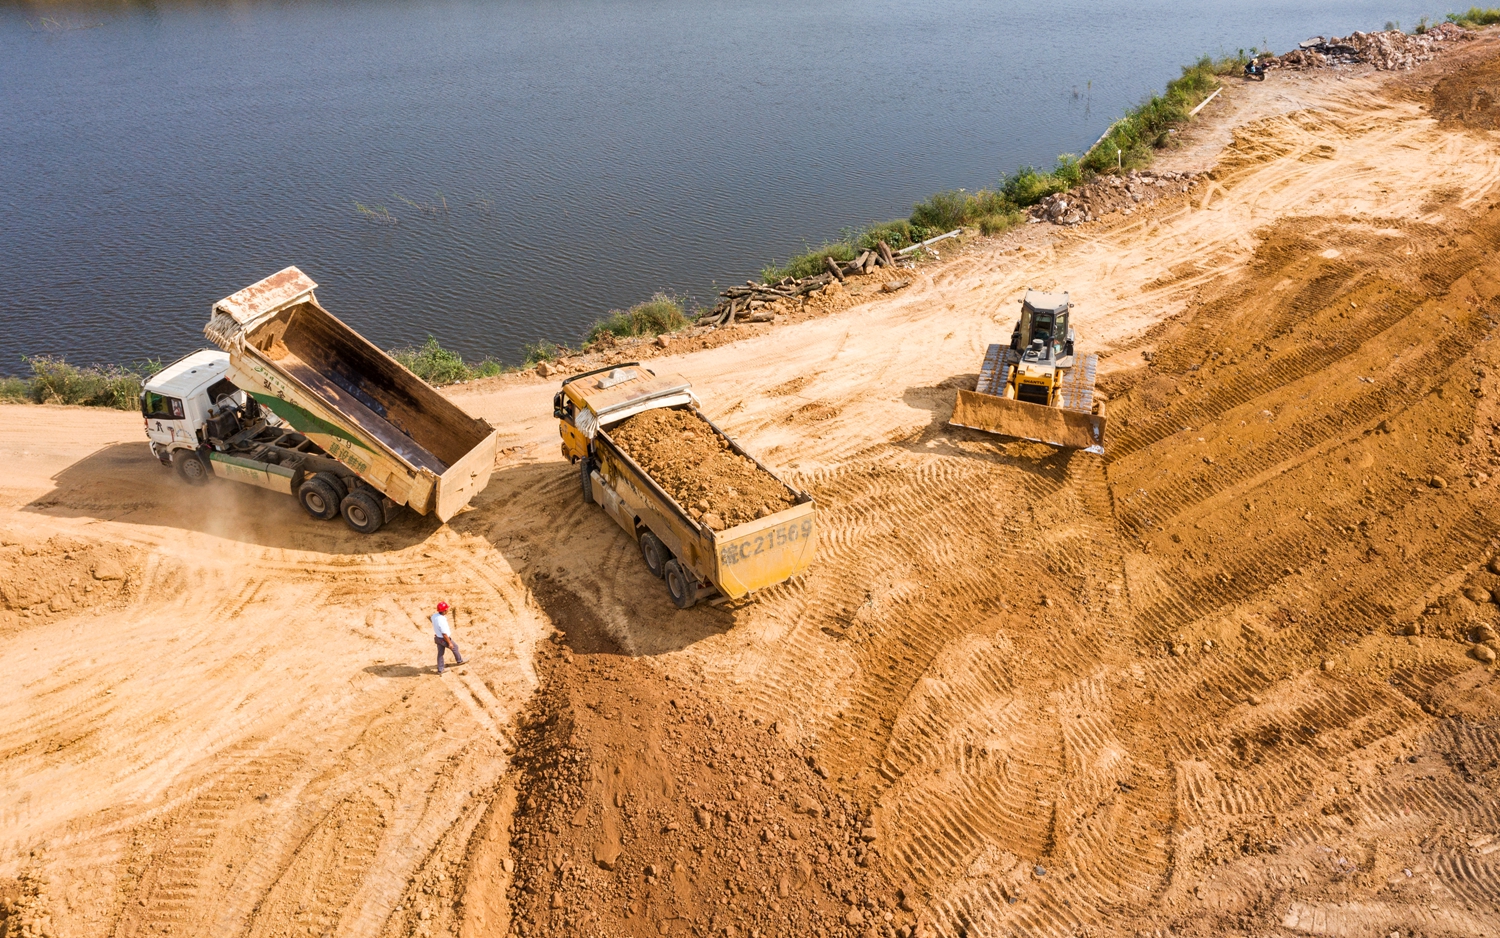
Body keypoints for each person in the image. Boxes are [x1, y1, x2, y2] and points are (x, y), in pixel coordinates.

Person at [431, 601, 465, 673]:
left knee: (440, 653)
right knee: (455, 647)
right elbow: (444, 634)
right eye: (447, 609)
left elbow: (435, 625)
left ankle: (440, 669)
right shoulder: (442, 621)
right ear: (445, 610)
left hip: (437, 638)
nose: (448, 610)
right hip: (443, 638)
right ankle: (459, 660)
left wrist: (437, 632)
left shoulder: (434, 616)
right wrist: (449, 643)